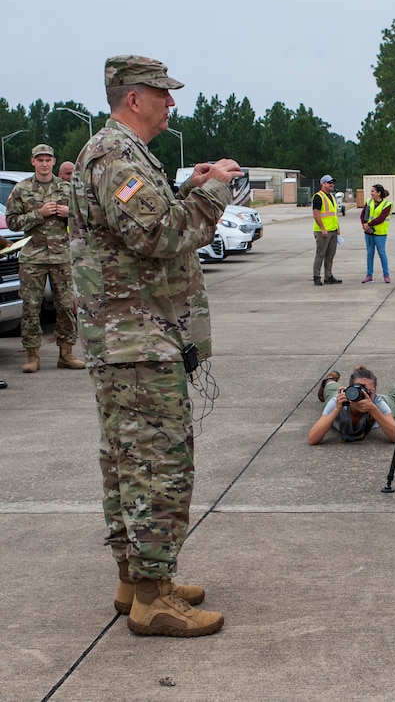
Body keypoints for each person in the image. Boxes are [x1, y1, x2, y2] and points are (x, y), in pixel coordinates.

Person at [70, 55, 244, 638]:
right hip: (136, 339)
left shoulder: (122, 155)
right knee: (156, 464)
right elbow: (163, 233)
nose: (172, 103)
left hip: (131, 337)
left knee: (127, 462)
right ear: (132, 99)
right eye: (162, 93)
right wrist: (216, 191)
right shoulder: (116, 155)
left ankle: (138, 581)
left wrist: (185, 186)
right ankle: (152, 599)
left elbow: (143, 220)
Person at [4, 143, 85, 373]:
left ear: (54, 161)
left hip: (61, 256)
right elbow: (12, 221)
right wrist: (39, 214)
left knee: (66, 307)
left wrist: (67, 213)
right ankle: (32, 355)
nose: (44, 163)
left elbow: (83, 217)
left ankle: (67, 353)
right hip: (33, 256)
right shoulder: (22, 188)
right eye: (39, 159)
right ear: (33, 162)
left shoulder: (66, 188)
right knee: (31, 307)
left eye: (48, 159)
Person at [308, 367, 395, 445]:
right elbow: (312, 439)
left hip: (375, 405)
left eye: (369, 391)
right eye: (358, 389)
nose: (363, 394)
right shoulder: (338, 401)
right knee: (331, 391)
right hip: (339, 400)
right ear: (349, 389)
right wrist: (336, 410)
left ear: (375, 392)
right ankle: (328, 380)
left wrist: (374, 410)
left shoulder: (378, 403)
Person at [312, 174, 341, 285]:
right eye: (329, 183)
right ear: (323, 184)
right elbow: (316, 214)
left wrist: (338, 228)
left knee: (330, 255)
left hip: (332, 230)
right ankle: (317, 276)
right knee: (320, 254)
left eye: (332, 183)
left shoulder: (332, 197)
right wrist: (323, 229)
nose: (332, 185)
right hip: (322, 231)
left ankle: (328, 276)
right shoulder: (318, 197)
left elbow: (334, 214)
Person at [361, 183, 392, 283]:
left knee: (382, 253)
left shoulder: (387, 204)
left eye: (373, 191)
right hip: (368, 233)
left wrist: (368, 224)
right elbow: (363, 214)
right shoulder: (369, 202)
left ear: (379, 193)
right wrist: (364, 224)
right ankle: (369, 275)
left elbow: (381, 218)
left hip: (380, 233)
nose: (371, 193)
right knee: (369, 254)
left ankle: (386, 275)